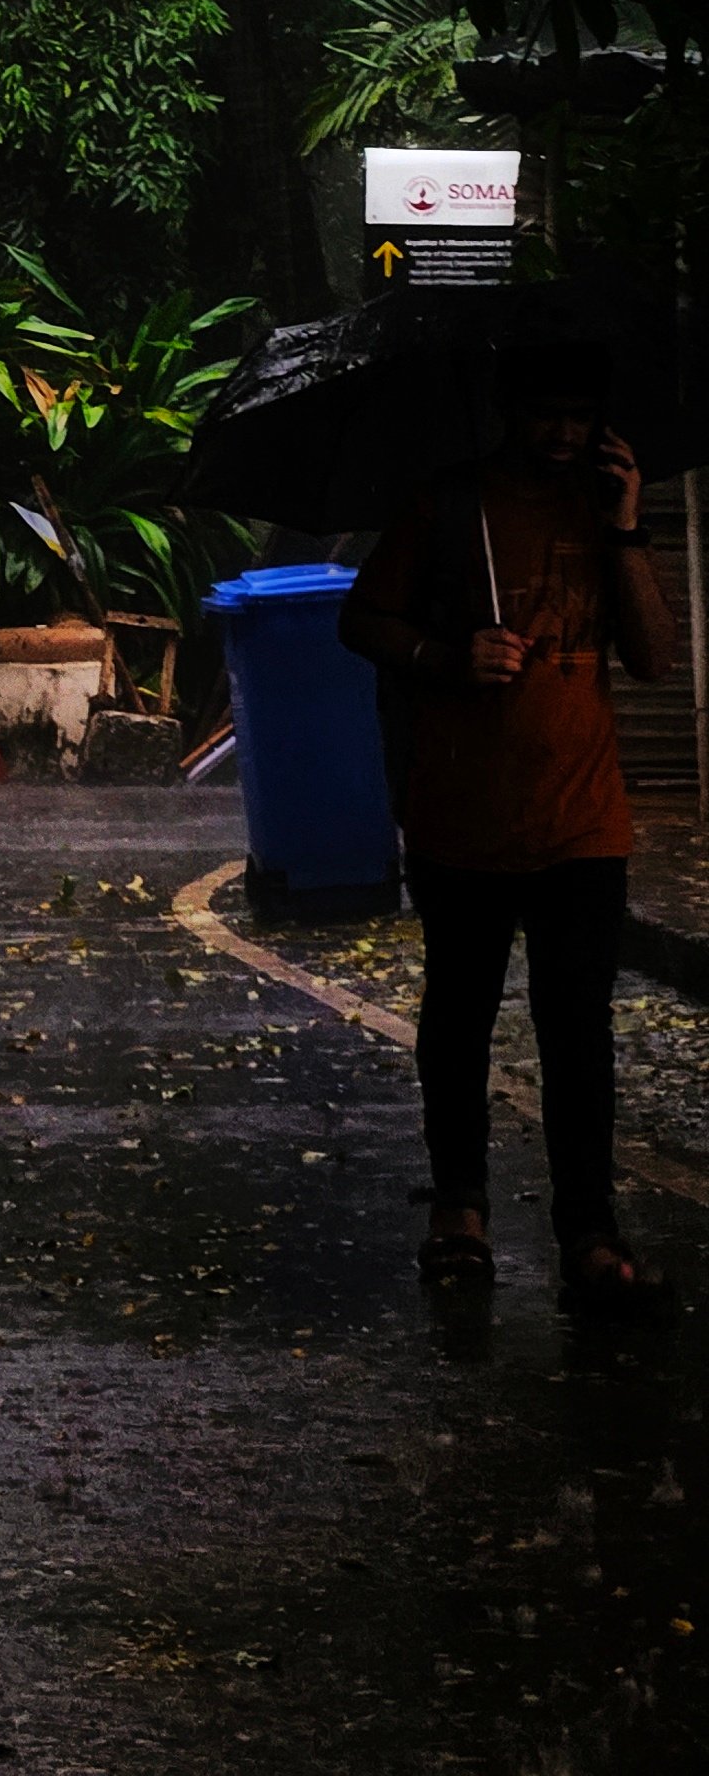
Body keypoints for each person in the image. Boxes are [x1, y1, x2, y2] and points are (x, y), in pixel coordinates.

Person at [339, 344, 675, 1315]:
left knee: (580, 1031)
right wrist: (448, 655)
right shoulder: (447, 505)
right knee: (459, 1019)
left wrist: (626, 525)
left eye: (580, 414)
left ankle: (590, 1232)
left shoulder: (602, 509)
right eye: (545, 413)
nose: (564, 433)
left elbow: (655, 658)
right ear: (509, 410)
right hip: (461, 817)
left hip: (583, 821)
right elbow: (363, 620)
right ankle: (460, 1211)